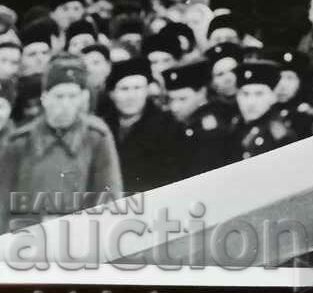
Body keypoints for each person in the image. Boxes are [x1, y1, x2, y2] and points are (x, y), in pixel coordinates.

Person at [0, 56, 122, 232]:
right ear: (45, 98)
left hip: (80, 240)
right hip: (27, 241)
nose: (65, 104)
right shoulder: (20, 142)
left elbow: (110, 199)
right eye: (59, 96)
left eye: (72, 96)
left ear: (82, 98)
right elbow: (3, 204)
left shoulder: (96, 138)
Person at [103, 57, 186, 194]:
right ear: (112, 93)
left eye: (137, 88)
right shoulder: (103, 127)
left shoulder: (168, 126)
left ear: (147, 90)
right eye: (124, 89)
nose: (131, 96)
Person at [162, 60, 232, 178]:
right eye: (171, 100)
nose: (175, 107)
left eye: (182, 99)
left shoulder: (211, 127)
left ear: (202, 93)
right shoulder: (177, 121)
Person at [227, 59, 296, 162]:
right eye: (245, 94)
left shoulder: (278, 136)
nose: (250, 102)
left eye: (259, 94)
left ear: (273, 97)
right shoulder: (236, 125)